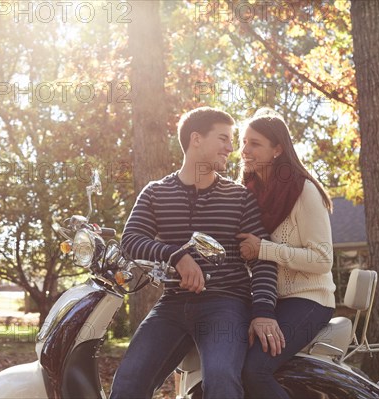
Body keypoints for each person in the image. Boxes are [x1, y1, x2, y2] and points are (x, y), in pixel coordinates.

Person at [110, 107, 282, 399]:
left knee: (221, 381)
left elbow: (263, 258)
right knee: (127, 386)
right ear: (196, 139)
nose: (232, 148)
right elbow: (130, 240)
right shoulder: (155, 192)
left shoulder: (240, 197)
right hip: (172, 304)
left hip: (226, 305)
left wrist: (264, 311)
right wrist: (175, 256)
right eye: (224, 138)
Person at [236, 108, 336, 399]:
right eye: (243, 142)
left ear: (277, 149)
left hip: (309, 299)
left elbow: (322, 260)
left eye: (255, 143)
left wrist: (262, 249)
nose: (245, 150)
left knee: (254, 370)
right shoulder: (249, 191)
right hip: (267, 301)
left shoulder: (302, 190)